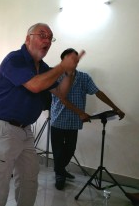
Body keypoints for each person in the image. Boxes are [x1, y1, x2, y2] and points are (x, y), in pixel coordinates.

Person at [0, 23, 84, 206]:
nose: (47, 40)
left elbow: (61, 92)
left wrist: (69, 72)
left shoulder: (44, 68)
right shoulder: (14, 59)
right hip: (3, 126)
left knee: (29, 177)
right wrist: (62, 66)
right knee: (0, 180)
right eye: (42, 35)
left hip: (25, 129)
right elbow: (35, 85)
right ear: (28, 38)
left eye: (50, 37)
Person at [50, 48, 125, 190]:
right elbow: (63, 99)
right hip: (58, 120)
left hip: (74, 121)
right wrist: (80, 113)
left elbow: (98, 92)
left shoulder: (84, 77)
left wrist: (115, 108)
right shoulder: (56, 77)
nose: (74, 62)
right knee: (58, 151)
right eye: (70, 59)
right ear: (63, 61)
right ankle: (59, 174)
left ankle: (61, 169)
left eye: (76, 59)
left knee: (70, 150)